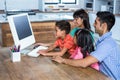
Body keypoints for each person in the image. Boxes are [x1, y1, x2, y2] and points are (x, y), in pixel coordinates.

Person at [53, 11, 120, 80]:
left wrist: (63, 60)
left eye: (96, 22)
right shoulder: (105, 41)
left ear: (104, 26)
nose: (94, 25)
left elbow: (84, 63)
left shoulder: (107, 44)